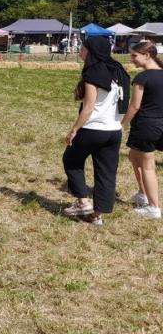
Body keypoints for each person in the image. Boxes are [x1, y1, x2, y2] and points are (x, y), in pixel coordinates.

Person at [62, 37, 129, 226]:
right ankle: (97, 214)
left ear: (91, 51)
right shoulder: (118, 70)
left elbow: (89, 106)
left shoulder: (93, 72)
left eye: (82, 49)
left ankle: (83, 202)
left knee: (71, 160)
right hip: (113, 130)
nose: (80, 52)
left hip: (93, 128)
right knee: (106, 173)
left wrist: (74, 129)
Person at [121, 40, 163, 219]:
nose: (131, 59)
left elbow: (135, 106)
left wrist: (122, 124)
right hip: (160, 125)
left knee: (147, 166)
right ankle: (142, 193)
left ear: (147, 55)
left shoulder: (142, 78)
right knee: (133, 155)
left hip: (146, 125)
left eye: (134, 56)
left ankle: (153, 207)